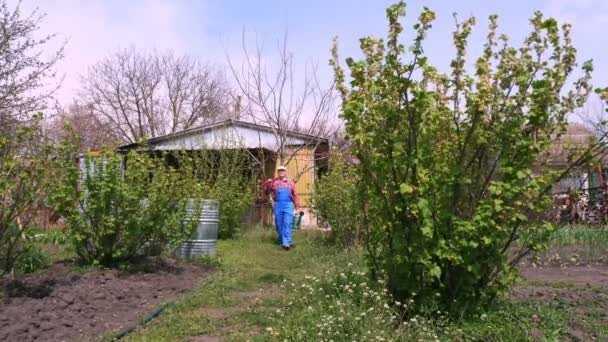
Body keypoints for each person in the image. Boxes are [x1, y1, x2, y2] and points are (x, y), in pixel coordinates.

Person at [266, 165, 300, 250]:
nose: (281, 172)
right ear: (278, 172)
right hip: (278, 205)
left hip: (288, 205)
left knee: (287, 223)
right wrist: (267, 184)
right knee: (278, 224)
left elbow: (295, 195)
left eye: (283, 170)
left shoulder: (290, 183)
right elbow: (267, 192)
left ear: (285, 172)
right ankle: (284, 240)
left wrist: (297, 207)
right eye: (279, 171)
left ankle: (286, 243)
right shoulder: (274, 182)